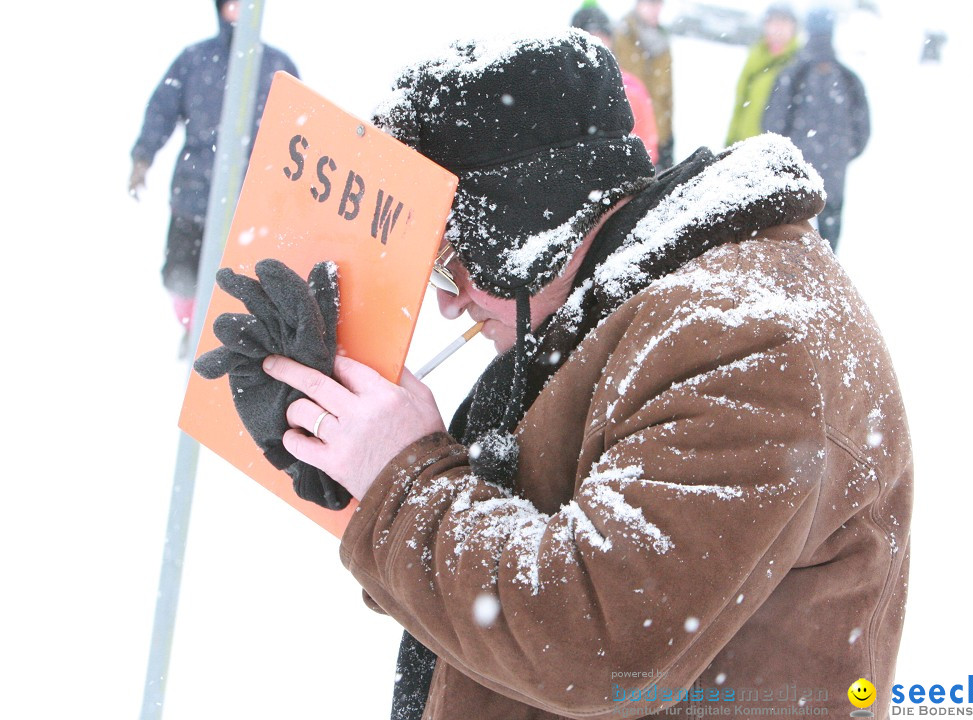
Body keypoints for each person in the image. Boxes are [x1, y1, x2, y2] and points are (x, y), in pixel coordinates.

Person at [201, 30, 912, 720]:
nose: (449, 304)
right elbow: (498, 561)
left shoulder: (744, 343)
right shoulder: (599, 309)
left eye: (454, 261)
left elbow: (597, 643)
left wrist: (401, 481)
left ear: (523, 229)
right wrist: (341, 458)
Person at [129, 0, 298, 353]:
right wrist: (142, 157)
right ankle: (191, 329)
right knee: (181, 275)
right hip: (193, 193)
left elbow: (298, 130)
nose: (236, 13)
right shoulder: (194, 60)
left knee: (239, 279)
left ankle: (225, 339)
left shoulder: (277, 67)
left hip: (249, 202)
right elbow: (161, 109)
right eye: (230, 5)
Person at [762, 7, 870, 251]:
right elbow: (862, 133)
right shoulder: (848, 78)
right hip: (833, 177)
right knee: (828, 249)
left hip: (794, 178)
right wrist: (840, 155)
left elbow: (772, 125)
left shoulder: (792, 73)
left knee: (789, 243)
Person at [572, 2, 660, 166]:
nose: (597, 43)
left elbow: (647, 146)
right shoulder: (561, 86)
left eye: (602, 35)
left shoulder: (630, 87)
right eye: (589, 35)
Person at [612, 0, 676, 170]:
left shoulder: (662, 39)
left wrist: (667, 138)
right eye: (651, 4)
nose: (656, 10)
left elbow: (666, 94)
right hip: (630, 134)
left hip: (659, 134)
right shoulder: (622, 34)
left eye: (659, 4)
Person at [725, 4, 801, 146]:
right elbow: (740, 106)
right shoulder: (755, 57)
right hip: (742, 149)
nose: (777, 28)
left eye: (784, 22)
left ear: (793, 28)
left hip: (772, 157)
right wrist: (730, 142)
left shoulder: (800, 65)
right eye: (773, 22)